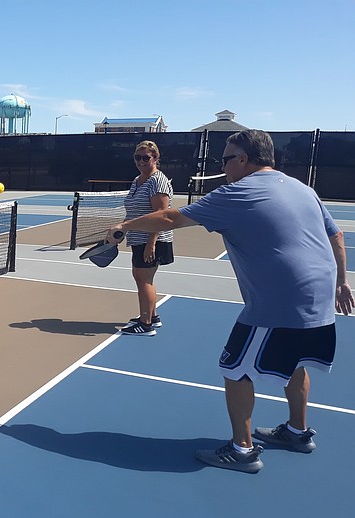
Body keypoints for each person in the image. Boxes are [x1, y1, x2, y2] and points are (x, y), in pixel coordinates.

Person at [107, 129, 353, 473]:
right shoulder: (303, 189)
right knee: (294, 363)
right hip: (320, 301)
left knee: (235, 371)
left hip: (277, 304)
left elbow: (169, 218)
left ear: (242, 159)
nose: (222, 168)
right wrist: (342, 284)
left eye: (224, 160)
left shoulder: (235, 193)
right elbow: (337, 235)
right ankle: (297, 432)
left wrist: (123, 225)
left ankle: (242, 450)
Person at [119, 141, 174, 336]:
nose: (141, 161)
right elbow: (134, 211)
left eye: (146, 158)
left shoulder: (157, 181)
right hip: (138, 238)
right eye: (137, 157)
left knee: (143, 279)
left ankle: (146, 324)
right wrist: (122, 229)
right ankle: (153, 316)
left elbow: (161, 215)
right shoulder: (138, 180)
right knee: (144, 278)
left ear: (156, 159)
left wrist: (151, 243)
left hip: (152, 240)